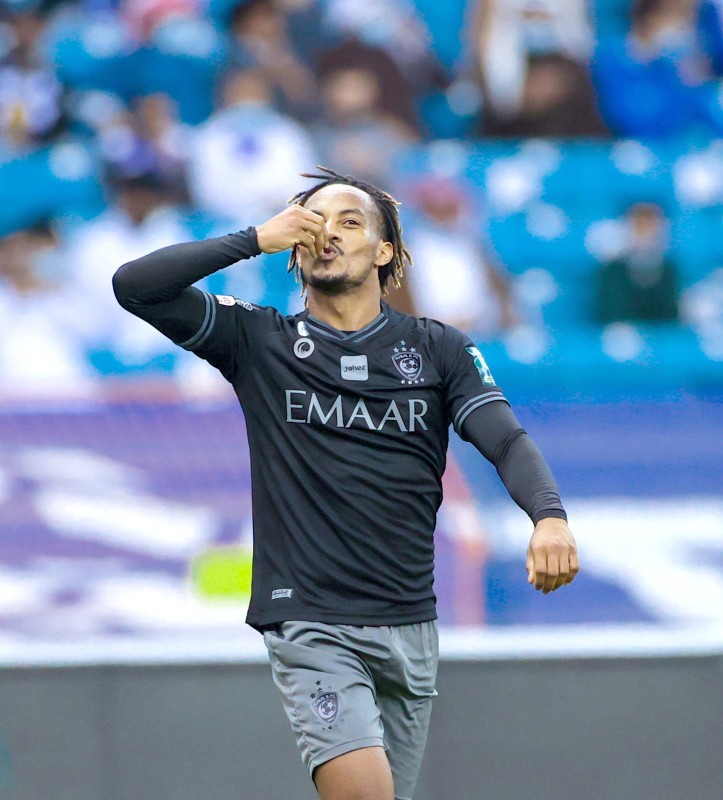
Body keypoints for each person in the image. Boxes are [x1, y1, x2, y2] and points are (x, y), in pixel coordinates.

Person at [112, 167, 578, 800]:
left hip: (410, 622)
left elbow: (506, 439)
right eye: (314, 221)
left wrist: (548, 517)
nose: (327, 232)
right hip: (312, 621)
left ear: (384, 252)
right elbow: (135, 286)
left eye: (349, 222)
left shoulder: (438, 349)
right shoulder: (259, 340)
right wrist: (254, 239)